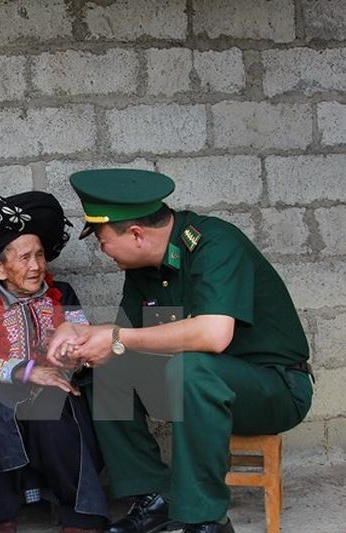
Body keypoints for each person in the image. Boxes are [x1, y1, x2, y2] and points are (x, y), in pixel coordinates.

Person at [46, 169, 314, 533]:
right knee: (107, 370)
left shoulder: (213, 244)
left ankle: (205, 519)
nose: (102, 250)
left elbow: (214, 335)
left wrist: (116, 337)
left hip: (274, 387)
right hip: (199, 384)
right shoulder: (142, 269)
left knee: (189, 369)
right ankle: (155, 498)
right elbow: (126, 343)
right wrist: (77, 333)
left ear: (137, 234)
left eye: (103, 240)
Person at [0, 191, 108, 533]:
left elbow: (82, 339)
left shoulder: (63, 295)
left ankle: (80, 514)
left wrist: (72, 354)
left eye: (40, 255)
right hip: (2, 391)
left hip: (55, 387)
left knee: (52, 409)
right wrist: (24, 372)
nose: (36, 266)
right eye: (24, 258)